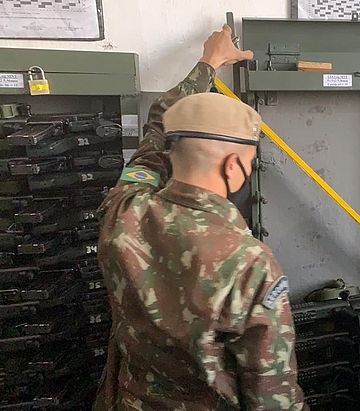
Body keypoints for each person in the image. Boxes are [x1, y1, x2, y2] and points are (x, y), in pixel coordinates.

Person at [93, 25, 306, 411]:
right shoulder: (249, 263)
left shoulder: (123, 211)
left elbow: (156, 132)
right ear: (232, 167)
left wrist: (208, 63)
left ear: (170, 155)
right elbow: (273, 396)